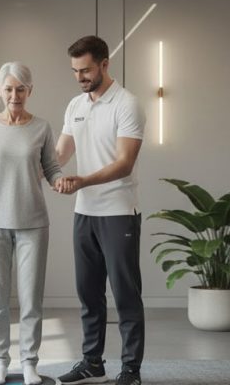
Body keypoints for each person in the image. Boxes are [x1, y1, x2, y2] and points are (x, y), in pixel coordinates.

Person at [55, 36, 147, 385]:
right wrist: (36, 170)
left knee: (125, 295)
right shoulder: (75, 105)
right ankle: (92, 361)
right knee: (88, 292)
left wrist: (80, 181)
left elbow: (124, 164)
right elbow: (61, 154)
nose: (80, 77)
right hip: (85, 213)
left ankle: (131, 370)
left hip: (119, 212)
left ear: (105, 64)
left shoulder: (128, 104)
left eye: (86, 70)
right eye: (75, 71)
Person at [0, 61, 64, 385]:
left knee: (31, 300)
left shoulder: (42, 128)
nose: (15, 94)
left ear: (30, 91)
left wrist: (62, 181)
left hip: (33, 225)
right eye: (9, 89)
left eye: (21, 88)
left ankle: (30, 364)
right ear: (0, 91)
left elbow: (52, 167)